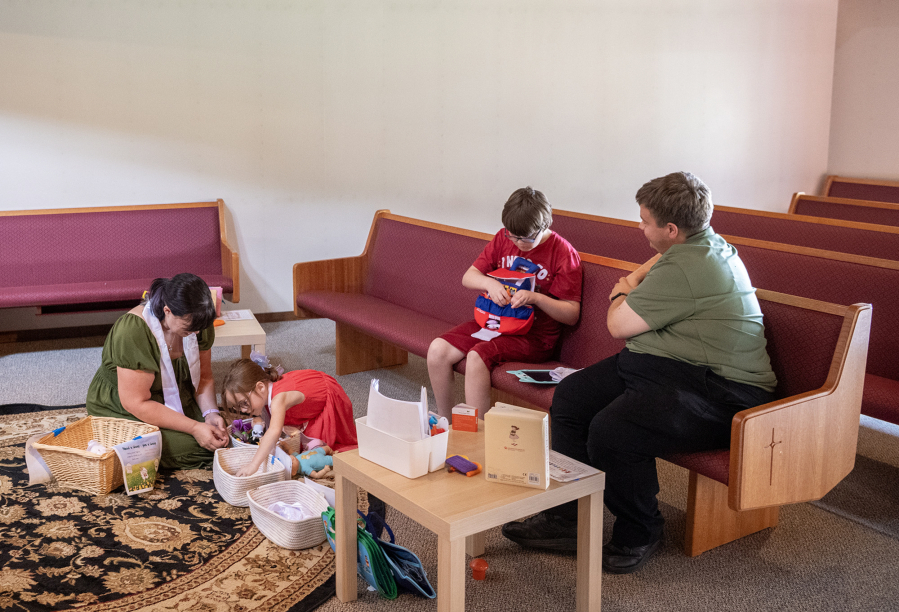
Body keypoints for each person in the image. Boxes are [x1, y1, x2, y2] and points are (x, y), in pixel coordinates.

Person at [501, 172, 777, 574]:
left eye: (645, 221)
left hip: (722, 391)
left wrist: (625, 284)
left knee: (614, 431)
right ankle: (567, 518)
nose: (640, 226)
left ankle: (641, 530)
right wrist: (647, 270)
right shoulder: (694, 245)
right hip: (664, 366)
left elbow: (617, 324)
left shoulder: (690, 265)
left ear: (670, 228)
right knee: (572, 398)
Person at [427, 186, 583, 418]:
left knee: (476, 357)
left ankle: (477, 435)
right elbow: (468, 277)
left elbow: (571, 314)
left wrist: (537, 298)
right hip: (496, 322)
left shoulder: (563, 252)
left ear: (544, 226)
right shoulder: (503, 237)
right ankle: (445, 422)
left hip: (535, 336)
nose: (519, 243)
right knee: (437, 350)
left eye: (527, 238)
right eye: (513, 236)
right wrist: (490, 284)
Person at [86, 273, 229, 469]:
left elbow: (204, 378)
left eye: (198, 328)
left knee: (220, 434)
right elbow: (136, 402)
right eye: (189, 329)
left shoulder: (199, 323)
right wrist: (195, 427)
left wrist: (211, 413)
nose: (195, 333)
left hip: (175, 392)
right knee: (198, 447)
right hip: (125, 404)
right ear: (167, 311)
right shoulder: (133, 330)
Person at [220, 356, 357, 477]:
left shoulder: (278, 400)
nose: (244, 410)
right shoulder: (268, 392)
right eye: (237, 407)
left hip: (327, 397)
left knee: (320, 451)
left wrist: (253, 465)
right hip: (312, 392)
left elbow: (274, 431)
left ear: (261, 387)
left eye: (244, 403)